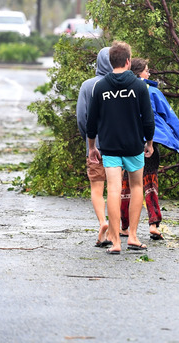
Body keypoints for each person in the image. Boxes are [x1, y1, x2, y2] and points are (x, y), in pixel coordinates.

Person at [85, 41, 155, 254]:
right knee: (136, 188)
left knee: (113, 189)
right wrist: (149, 142)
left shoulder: (101, 86)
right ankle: (132, 236)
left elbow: (91, 120)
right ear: (127, 61)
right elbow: (148, 119)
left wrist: (92, 147)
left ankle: (115, 242)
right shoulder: (139, 86)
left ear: (110, 61)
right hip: (134, 145)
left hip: (109, 146)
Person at [129, 57, 179, 240]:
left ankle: (124, 226)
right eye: (147, 70)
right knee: (150, 183)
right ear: (139, 72)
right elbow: (170, 117)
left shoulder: (124, 90)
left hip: (128, 143)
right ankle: (153, 224)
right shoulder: (152, 92)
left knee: (127, 185)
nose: (149, 73)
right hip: (149, 143)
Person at [76, 46, 113, 248]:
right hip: (117, 146)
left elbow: (82, 117)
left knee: (97, 189)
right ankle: (116, 232)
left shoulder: (87, 86)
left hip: (95, 146)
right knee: (115, 189)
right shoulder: (120, 85)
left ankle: (102, 222)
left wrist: (88, 140)